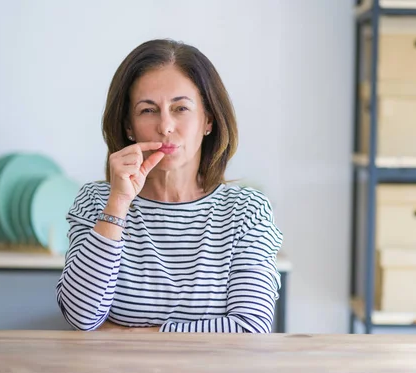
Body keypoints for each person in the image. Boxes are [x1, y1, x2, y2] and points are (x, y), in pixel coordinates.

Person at [56, 39, 283, 333]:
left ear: (208, 121)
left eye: (180, 108)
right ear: (129, 126)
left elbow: (250, 328)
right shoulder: (96, 201)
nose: (165, 126)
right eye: (148, 111)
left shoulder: (247, 211)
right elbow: (80, 318)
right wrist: (118, 204)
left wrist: (129, 335)